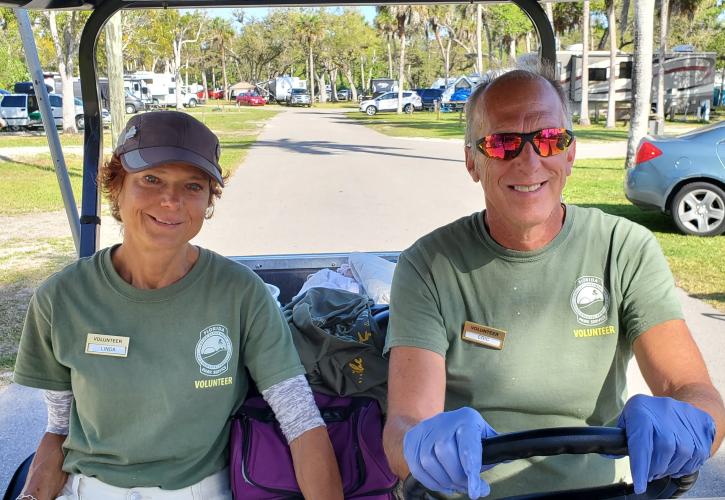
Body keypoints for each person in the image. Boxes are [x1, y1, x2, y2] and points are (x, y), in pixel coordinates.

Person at [382, 68, 724, 499]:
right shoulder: (427, 266)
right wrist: (420, 446)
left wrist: (689, 422)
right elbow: (403, 426)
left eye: (548, 140)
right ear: (472, 160)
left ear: (570, 153)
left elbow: (692, 390)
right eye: (503, 143)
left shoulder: (624, 248)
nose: (529, 162)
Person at [13, 110, 343, 500]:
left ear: (208, 200)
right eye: (151, 180)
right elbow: (60, 428)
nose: (171, 200)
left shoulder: (241, 294)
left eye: (192, 186)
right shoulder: (61, 298)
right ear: (117, 186)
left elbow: (300, 420)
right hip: (90, 488)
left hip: (200, 490)